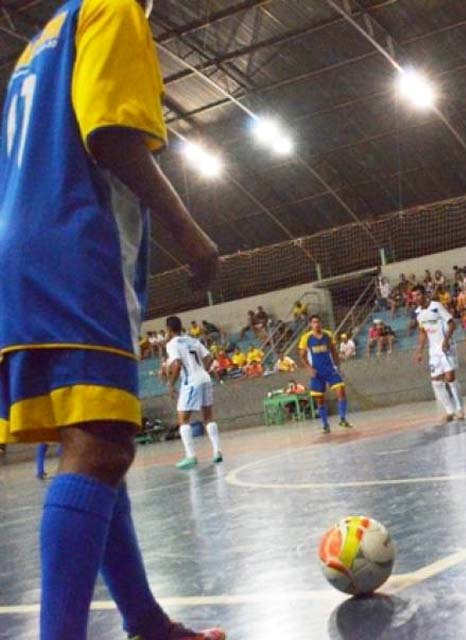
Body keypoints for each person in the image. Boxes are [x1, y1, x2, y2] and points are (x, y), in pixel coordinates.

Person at [0, 1, 225, 638]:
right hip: (74, 243)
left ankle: (145, 621)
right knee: (100, 445)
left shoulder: (40, 42)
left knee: (96, 442)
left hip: (24, 247)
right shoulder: (114, 7)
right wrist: (193, 237)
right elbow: (111, 135)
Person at [165, 316, 222, 470]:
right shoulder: (192, 340)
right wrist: (202, 371)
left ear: (168, 330)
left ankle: (191, 456)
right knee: (208, 416)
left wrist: (170, 384)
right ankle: (217, 451)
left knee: (183, 419)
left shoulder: (172, 344)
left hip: (191, 381)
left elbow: (177, 364)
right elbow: (209, 357)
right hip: (205, 378)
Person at [413, 285, 465, 421]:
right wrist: (420, 351)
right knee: (436, 380)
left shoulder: (436, 306)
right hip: (433, 350)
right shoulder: (418, 313)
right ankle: (449, 411)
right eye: (413, 296)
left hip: (446, 347)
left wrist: (446, 340)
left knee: (450, 378)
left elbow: (452, 324)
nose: (416, 298)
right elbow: (423, 332)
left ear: (424, 294)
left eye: (418, 295)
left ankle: (460, 409)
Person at [298, 315, 352, 433]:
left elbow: (333, 351)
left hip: (330, 369)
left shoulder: (328, 335)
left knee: (341, 391)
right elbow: (301, 356)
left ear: (321, 323)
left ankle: (342, 418)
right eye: (314, 322)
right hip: (317, 372)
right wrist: (309, 368)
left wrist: (338, 366)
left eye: (318, 321)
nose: (316, 324)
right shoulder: (306, 338)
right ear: (310, 325)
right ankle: (325, 424)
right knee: (320, 400)